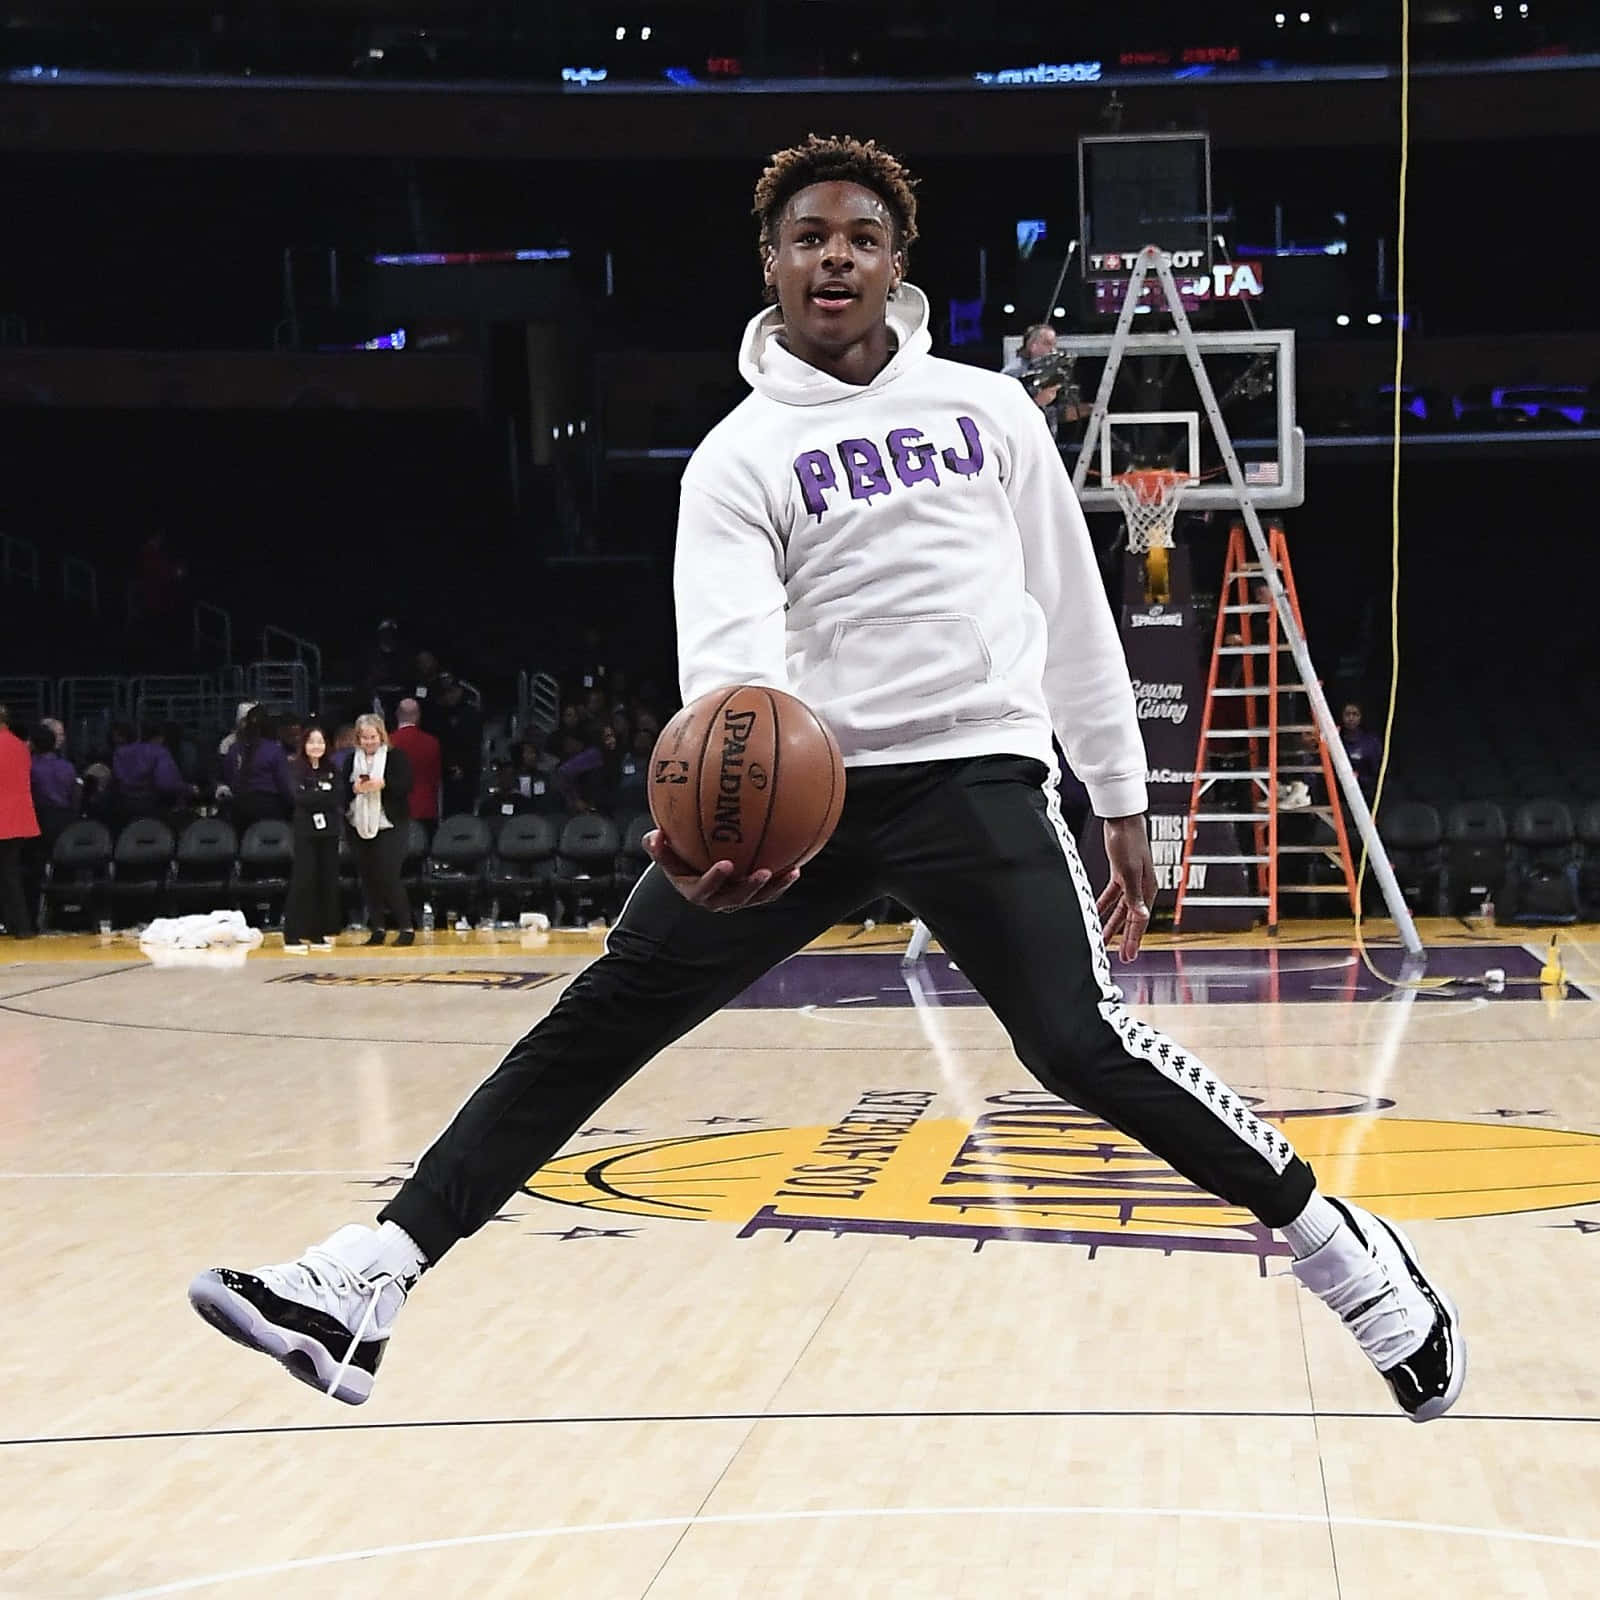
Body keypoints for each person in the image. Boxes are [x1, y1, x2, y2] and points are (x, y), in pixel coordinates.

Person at [189, 134, 1462, 1425]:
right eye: (808, 238)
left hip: (974, 770)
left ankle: (1347, 1255)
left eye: (860, 237)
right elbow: (731, 671)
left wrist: (1120, 792)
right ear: (772, 264)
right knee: (607, 1010)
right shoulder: (737, 457)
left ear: (897, 265)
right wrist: (716, 822)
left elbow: (1072, 608)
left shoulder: (988, 410)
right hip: (805, 794)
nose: (834, 258)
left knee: (1079, 1043)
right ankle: (373, 1274)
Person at [346, 713, 414, 948]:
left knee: (388, 875)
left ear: (381, 736)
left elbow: (406, 785)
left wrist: (384, 784)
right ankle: (378, 927)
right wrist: (354, 788)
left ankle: (406, 927)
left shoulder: (396, 757)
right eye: (364, 738)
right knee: (368, 878)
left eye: (373, 737)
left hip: (390, 824)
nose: (369, 742)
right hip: (358, 824)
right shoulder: (351, 760)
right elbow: (342, 790)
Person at [282, 725, 348, 954]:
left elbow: (338, 796)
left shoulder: (332, 768)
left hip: (329, 831)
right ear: (304, 745)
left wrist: (318, 794)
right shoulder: (295, 768)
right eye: (311, 742)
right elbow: (299, 798)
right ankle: (292, 934)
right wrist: (322, 794)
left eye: (320, 742)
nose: (316, 746)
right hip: (305, 832)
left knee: (325, 880)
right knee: (304, 880)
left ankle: (317, 931)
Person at [1002, 322, 1084, 441]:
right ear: (1033, 345)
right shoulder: (1013, 373)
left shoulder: (1049, 373)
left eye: (1054, 345)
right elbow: (1007, 413)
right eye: (1047, 344)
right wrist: (1037, 402)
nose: (1052, 350)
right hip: (1022, 441)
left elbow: (1054, 413)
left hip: (1045, 442)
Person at [0, 704, 40, 938]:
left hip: (3, 818)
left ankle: (17, 925)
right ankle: (19, 925)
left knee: (8, 876)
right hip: (20, 818)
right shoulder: (20, 746)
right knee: (10, 874)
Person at [223, 706, 295, 829]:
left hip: (239, 807)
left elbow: (229, 778)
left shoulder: (234, 748)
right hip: (269, 808)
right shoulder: (275, 750)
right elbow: (284, 785)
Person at [108, 721, 191, 828]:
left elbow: (117, 778)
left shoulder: (119, 752)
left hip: (124, 807)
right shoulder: (160, 752)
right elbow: (165, 784)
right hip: (153, 807)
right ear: (160, 737)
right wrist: (188, 788)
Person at [388, 699, 442, 835]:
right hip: (425, 807)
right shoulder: (432, 742)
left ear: (397, 714)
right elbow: (436, 778)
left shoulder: (388, 743)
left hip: (396, 810)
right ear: (418, 715)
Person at [433, 673, 482, 817]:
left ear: (459, 691)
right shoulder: (438, 716)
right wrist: (449, 765)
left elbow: (475, 745)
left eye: (452, 691)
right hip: (445, 772)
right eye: (445, 693)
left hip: (468, 773)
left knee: (466, 812)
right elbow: (439, 743)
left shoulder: (471, 713)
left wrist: (463, 766)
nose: (450, 696)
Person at [1340, 700, 1383, 800]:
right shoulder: (1336, 740)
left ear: (1361, 717)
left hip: (1367, 793)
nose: (1351, 718)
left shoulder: (1371, 741)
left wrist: (1359, 778)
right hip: (1341, 794)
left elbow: (1378, 772)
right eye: (1347, 714)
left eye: (1355, 714)